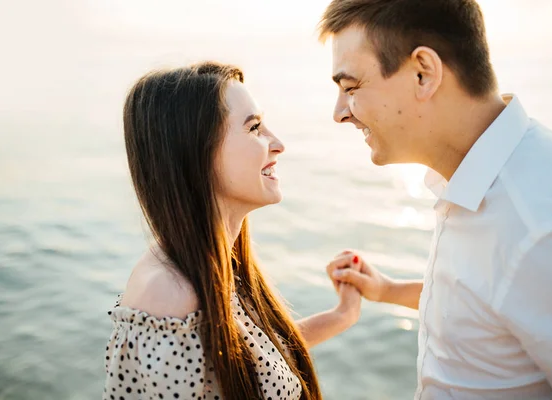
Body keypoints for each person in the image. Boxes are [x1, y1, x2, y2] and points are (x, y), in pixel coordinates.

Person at [318, 0, 552, 399]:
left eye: (350, 88)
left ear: (423, 73)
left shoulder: (546, 227)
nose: (340, 113)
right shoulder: (477, 176)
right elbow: (494, 296)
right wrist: (388, 290)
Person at [103, 62, 361, 400]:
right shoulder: (169, 297)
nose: (278, 143)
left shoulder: (213, 261)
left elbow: (247, 363)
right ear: (197, 150)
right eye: (254, 128)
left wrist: (344, 314)